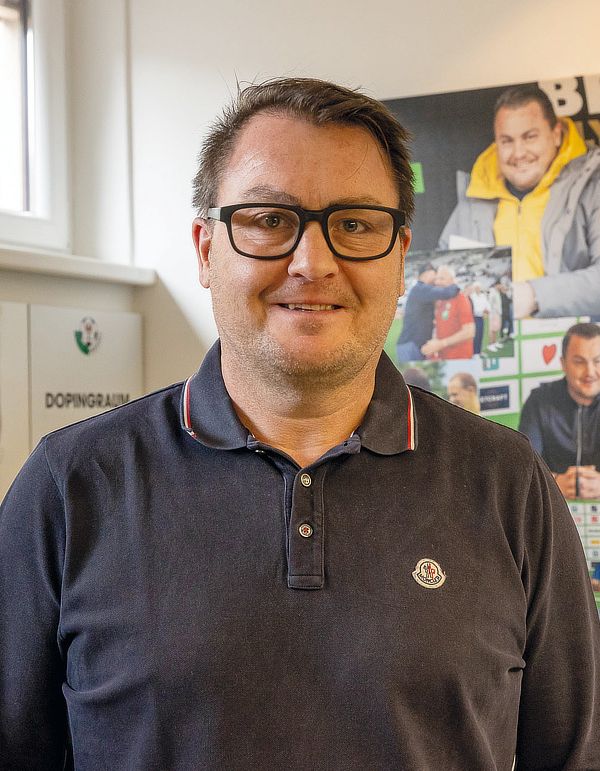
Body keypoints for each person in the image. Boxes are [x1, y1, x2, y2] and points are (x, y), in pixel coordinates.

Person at [1, 78, 599, 770]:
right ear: (205, 248)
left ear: (401, 255)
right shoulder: (70, 486)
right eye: (269, 220)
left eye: (355, 225)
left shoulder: (509, 485)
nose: (313, 263)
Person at [439, 84, 600, 319]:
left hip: (576, 340)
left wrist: (535, 295)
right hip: (497, 338)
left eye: (530, 137)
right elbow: (445, 273)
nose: (518, 153)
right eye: (507, 141)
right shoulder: (474, 198)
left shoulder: (593, 185)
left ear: (556, 134)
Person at [519, 321, 600, 499]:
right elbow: (523, 466)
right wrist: (555, 483)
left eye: (598, 361)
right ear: (563, 364)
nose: (590, 372)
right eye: (579, 362)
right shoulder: (539, 400)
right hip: (554, 506)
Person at [395, 262, 459, 362]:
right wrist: (454, 284)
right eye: (435, 274)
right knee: (412, 372)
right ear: (427, 273)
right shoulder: (421, 289)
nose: (436, 278)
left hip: (413, 344)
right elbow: (448, 292)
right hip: (411, 346)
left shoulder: (419, 289)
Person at [421, 265, 475, 359]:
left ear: (452, 280)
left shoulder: (461, 298)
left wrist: (442, 344)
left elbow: (469, 331)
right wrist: (432, 345)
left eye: (442, 279)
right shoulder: (440, 300)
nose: (437, 282)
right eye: (437, 279)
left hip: (460, 357)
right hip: (443, 357)